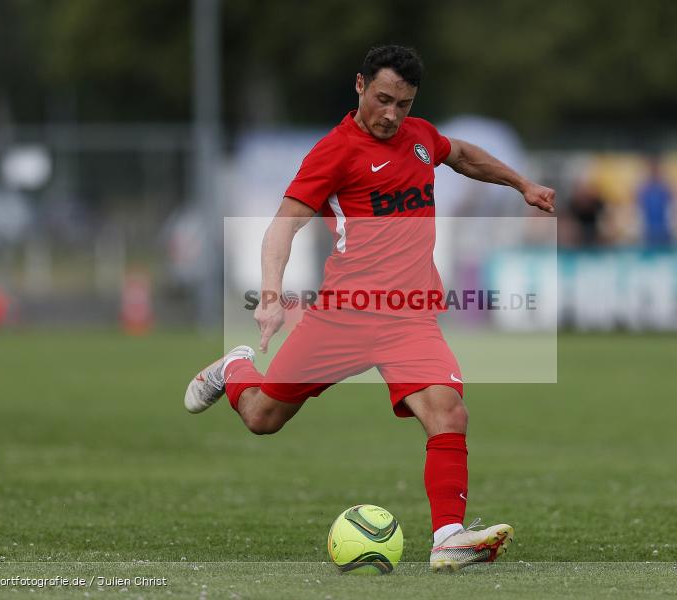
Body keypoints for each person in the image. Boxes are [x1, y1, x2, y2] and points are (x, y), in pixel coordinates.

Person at [184, 45, 555, 571]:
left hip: (409, 317)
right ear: (360, 86)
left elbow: (462, 155)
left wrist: (522, 184)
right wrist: (270, 296)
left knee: (449, 412)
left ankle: (448, 536)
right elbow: (283, 226)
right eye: (383, 99)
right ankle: (235, 367)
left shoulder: (421, 137)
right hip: (343, 316)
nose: (391, 114)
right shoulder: (334, 152)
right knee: (262, 418)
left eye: (403, 104)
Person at [636, 156, 674, 248]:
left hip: (664, 230)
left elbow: (674, 205)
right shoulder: (643, 188)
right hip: (648, 230)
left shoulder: (665, 187)